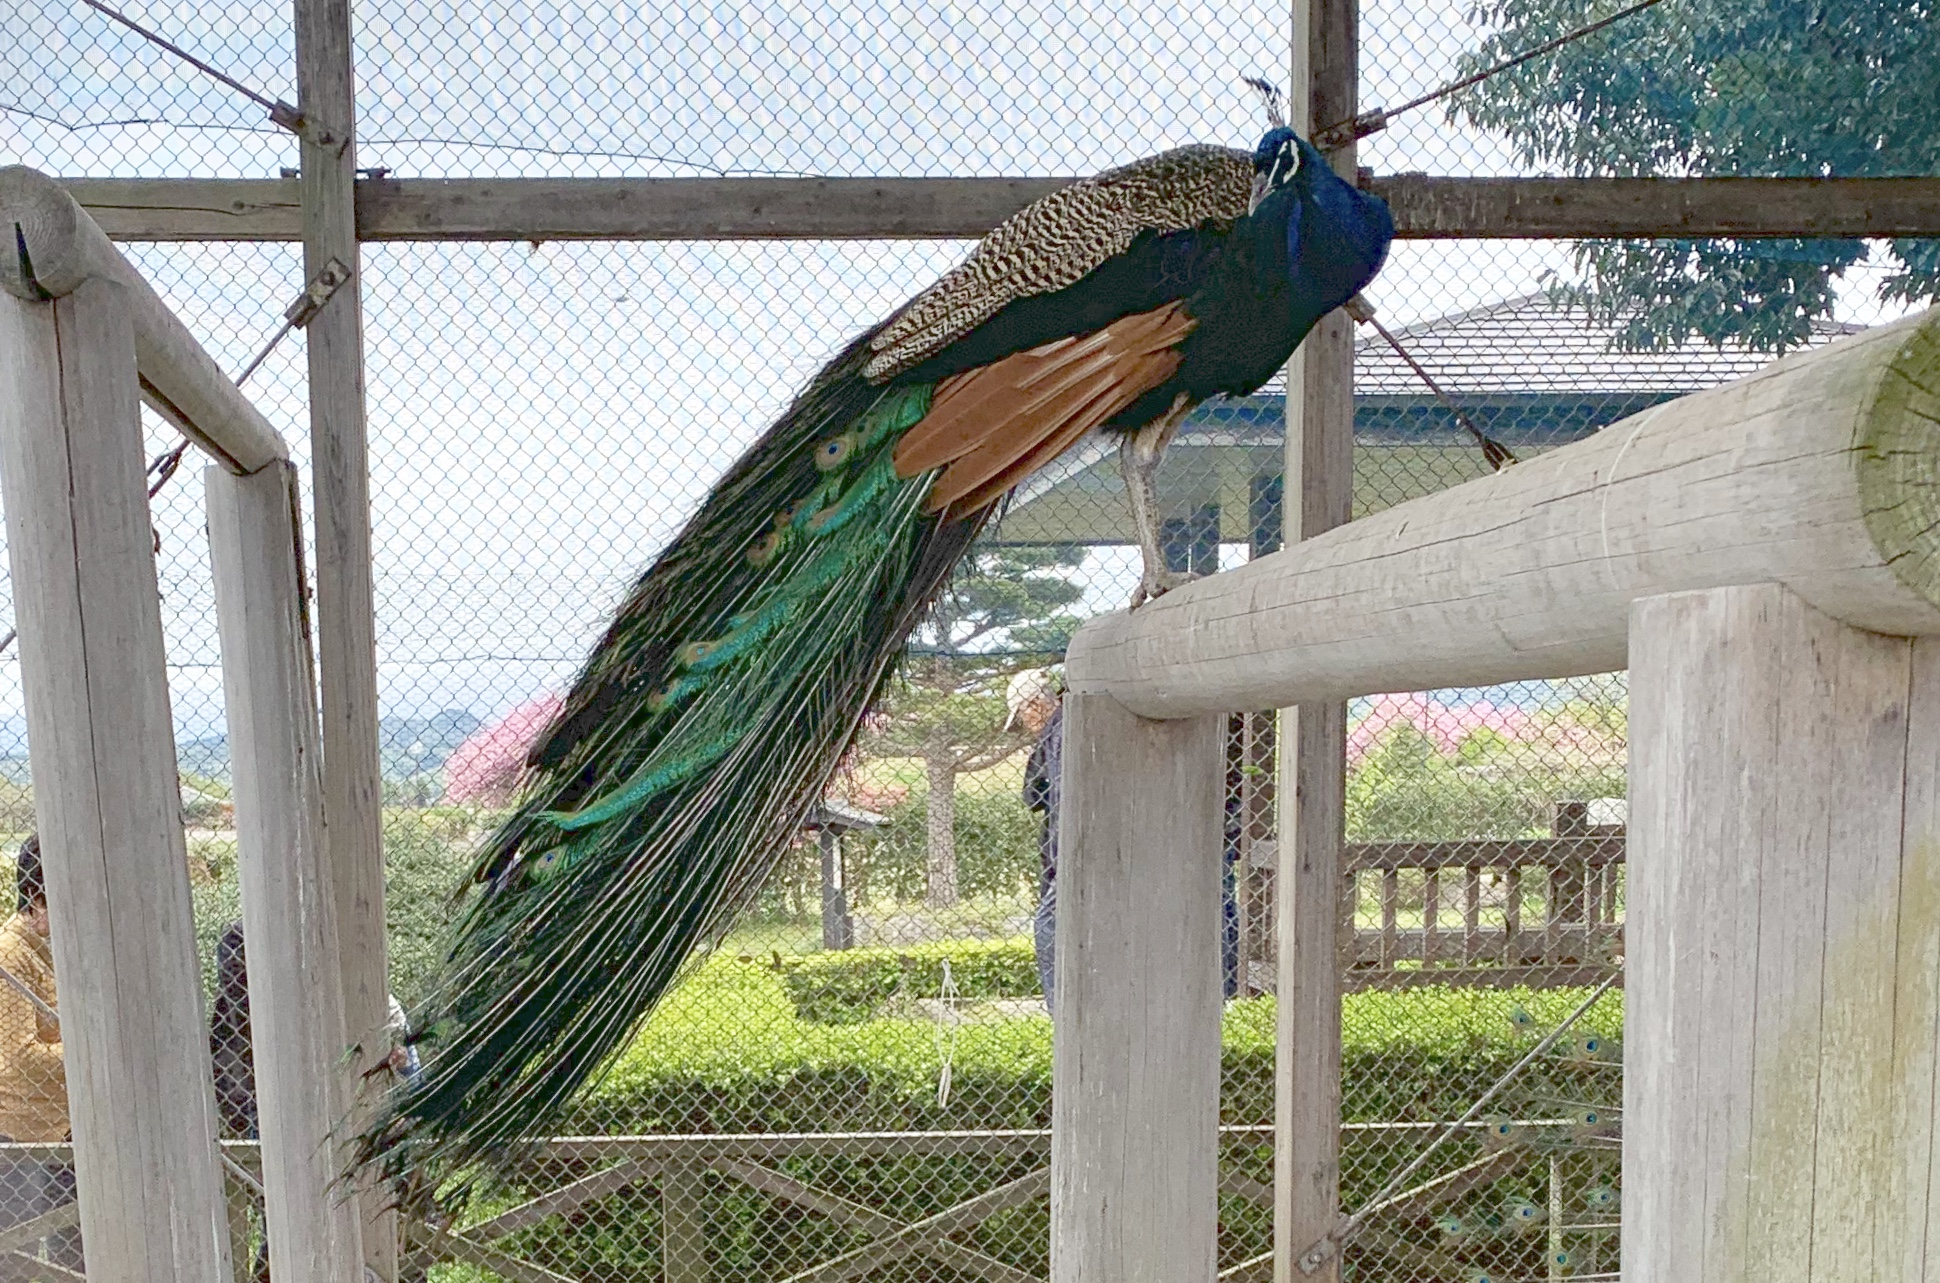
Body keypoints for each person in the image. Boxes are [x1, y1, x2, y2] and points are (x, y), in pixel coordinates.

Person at [0, 835, 82, 1281]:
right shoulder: (11, 956)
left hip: (66, 1127)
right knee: (18, 1262)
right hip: (21, 1134)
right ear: (36, 900)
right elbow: (19, 1058)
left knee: (77, 1257)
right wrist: (92, 1051)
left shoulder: (54, 951)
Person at [1011, 669, 1064, 1016]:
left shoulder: (1058, 733)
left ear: (1035, 705)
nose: (1023, 724)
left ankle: (1060, 1012)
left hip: (1068, 856)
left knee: (1047, 926)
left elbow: (1041, 794)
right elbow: (1036, 794)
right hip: (1061, 853)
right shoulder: (1057, 732)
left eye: (1021, 715)